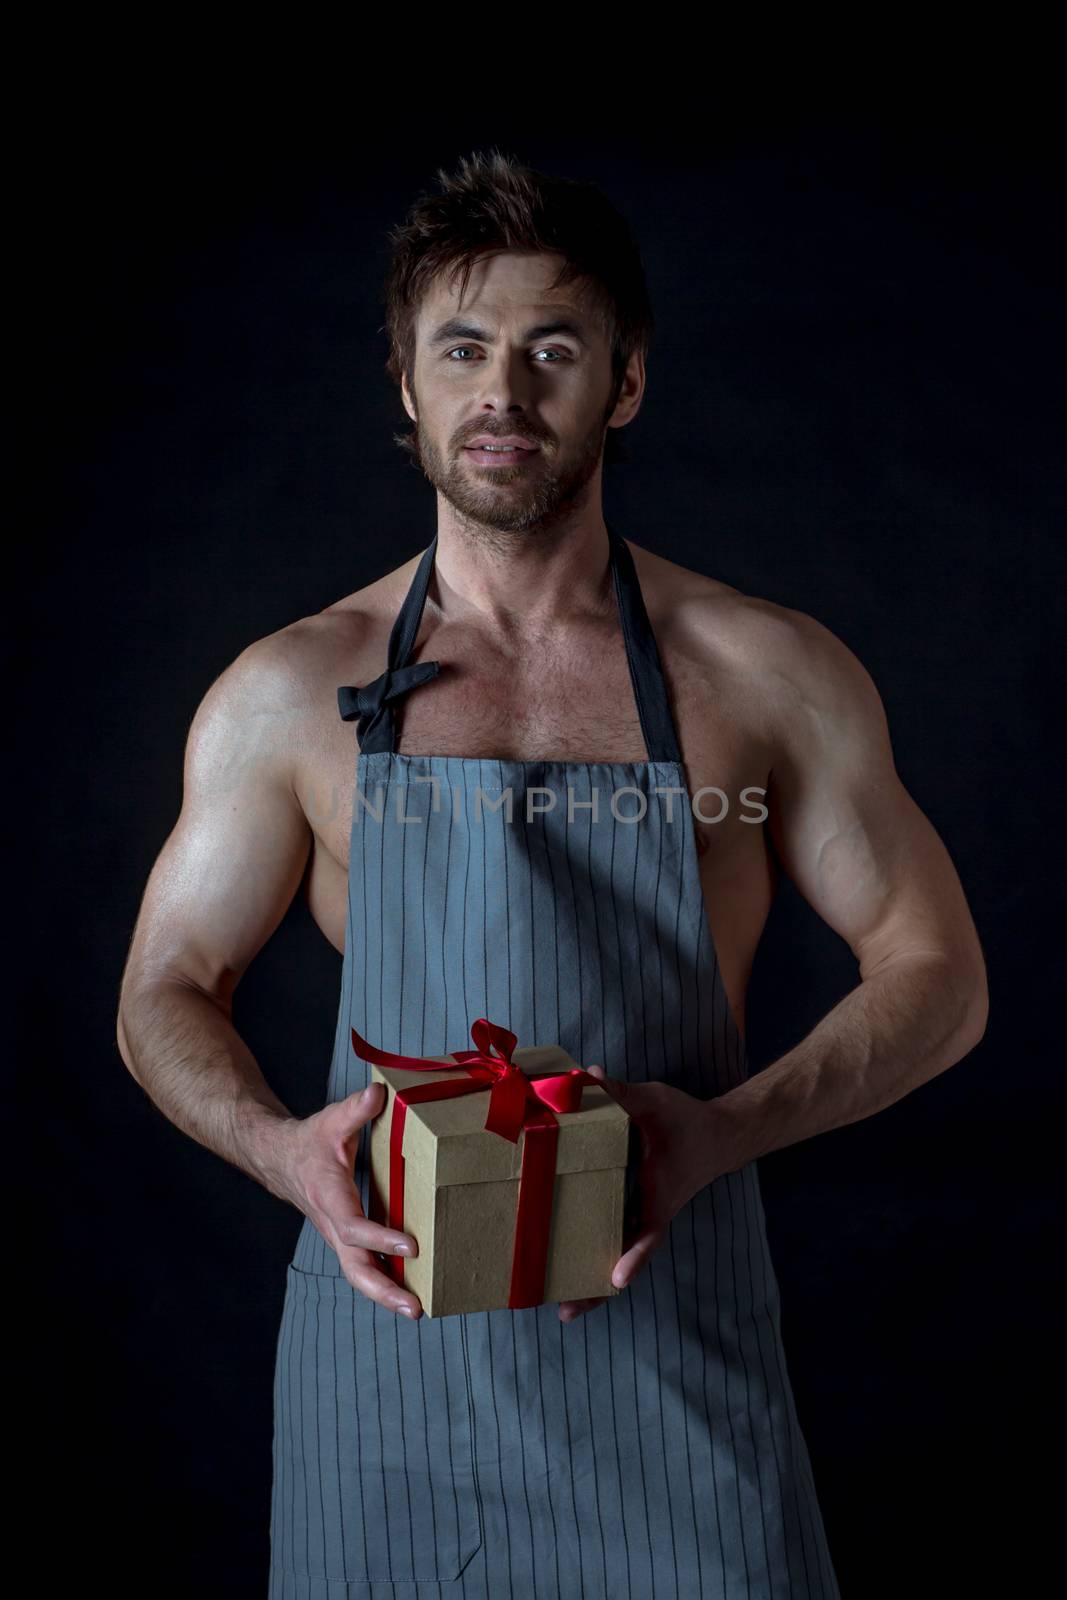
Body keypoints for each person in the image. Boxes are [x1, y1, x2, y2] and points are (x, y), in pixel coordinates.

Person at [116, 147, 988, 1599]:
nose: (501, 394)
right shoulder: (289, 691)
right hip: (385, 1359)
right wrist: (283, 1158)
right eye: (461, 350)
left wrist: (721, 1132)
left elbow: (939, 976)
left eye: (552, 350)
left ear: (625, 384)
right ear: (408, 386)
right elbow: (165, 988)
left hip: (672, 1350)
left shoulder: (761, 675)